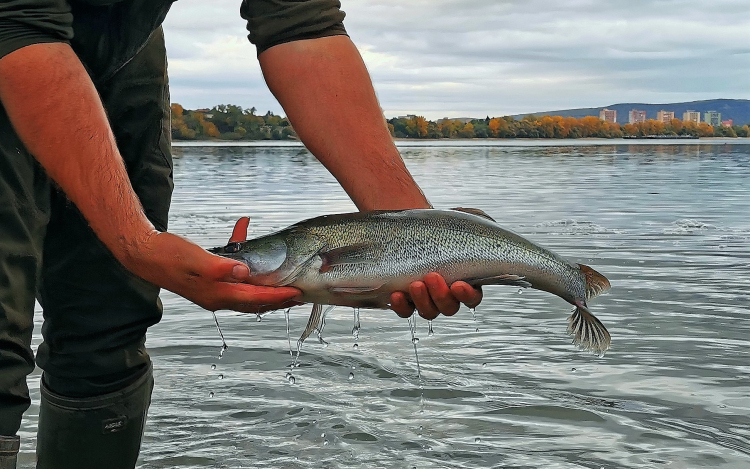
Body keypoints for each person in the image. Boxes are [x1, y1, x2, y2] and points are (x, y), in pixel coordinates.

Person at [0, 1, 482, 467]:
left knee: (107, 321)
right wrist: (135, 241)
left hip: (125, 46)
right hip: (11, 26)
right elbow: (18, 23)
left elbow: (300, 26)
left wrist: (417, 232)